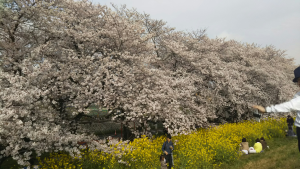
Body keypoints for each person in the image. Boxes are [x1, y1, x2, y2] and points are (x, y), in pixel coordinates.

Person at [252, 66, 300, 152]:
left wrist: (266, 110)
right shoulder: (297, 95)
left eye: (299, 80)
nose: (298, 83)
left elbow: (289, 105)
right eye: (298, 81)